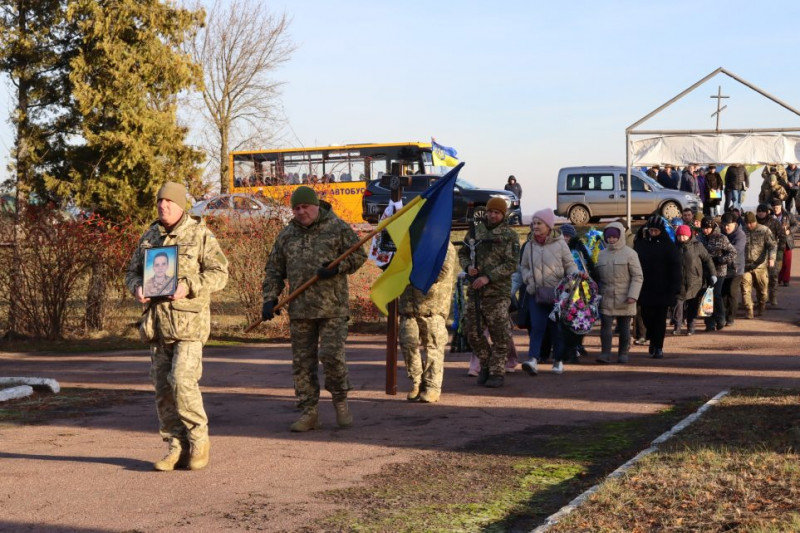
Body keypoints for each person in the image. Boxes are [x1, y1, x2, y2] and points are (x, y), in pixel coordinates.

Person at [125, 181, 229, 471]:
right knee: (163, 389)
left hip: (189, 325)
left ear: (181, 205)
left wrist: (189, 285)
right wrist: (136, 287)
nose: (163, 206)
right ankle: (175, 446)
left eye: (169, 202)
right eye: (159, 201)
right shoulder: (150, 237)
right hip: (157, 326)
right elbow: (132, 272)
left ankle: (198, 440)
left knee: (182, 381)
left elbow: (220, 273)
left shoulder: (199, 235)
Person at [261, 186, 367, 432]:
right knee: (302, 363)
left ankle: (340, 401)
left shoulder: (336, 227)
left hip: (332, 307)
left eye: (305, 207)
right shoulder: (287, 235)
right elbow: (274, 269)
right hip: (300, 310)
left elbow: (358, 255)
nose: (301, 212)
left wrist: (336, 268)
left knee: (331, 357)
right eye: (296, 208)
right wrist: (269, 298)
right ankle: (309, 412)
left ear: (315, 205)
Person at [458, 197, 520, 388]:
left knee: (500, 334)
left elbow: (512, 264)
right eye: (490, 212)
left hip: (497, 292)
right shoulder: (476, 232)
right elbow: (463, 253)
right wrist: (468, 268)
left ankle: (496, 372)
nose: (493, 215)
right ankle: (486, 364)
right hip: (476, 292)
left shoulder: (509, 235)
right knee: (472, 333)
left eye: (497, 212)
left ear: (503, 214)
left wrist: (489, 277)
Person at [519, 209, 577, 374]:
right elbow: (523, 266)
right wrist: (529, 279)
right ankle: (533, 359)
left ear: (548, 226)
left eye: (539, 223)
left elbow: (570, 264)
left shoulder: (560, 244)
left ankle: (558, 360)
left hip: (557, 294)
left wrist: (572, 278)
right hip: (536, 293)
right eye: (533, 223)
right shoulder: (529, 245)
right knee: (537, 326)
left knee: (556, 328)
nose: (535, 226)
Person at [399, 242, 457, 403]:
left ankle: (432, 387)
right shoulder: (406, 243)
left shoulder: (443, 245)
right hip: (408, 305)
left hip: (432, 307)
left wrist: (412, 268)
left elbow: (441, 273)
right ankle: (417, 382)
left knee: (433, 346)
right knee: (407, 343)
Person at [634, 215, 681, 358]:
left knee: (660, 319)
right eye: (651, 230)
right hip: (645, 288)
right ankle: (652, 338)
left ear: (661, 230)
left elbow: (676, 268)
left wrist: (675, 289)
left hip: (663, 289)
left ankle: (658, 346)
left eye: (656, 231)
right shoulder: (642, 244)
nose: (653, 233)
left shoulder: (669, 246)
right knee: (647, 317)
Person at [595, 222, 642, 364]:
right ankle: (605, 354)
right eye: (609, 237)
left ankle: (623, 353)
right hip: (606, 295)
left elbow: (637, 276)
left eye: (614, 237)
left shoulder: (630, 254)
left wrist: (633, 295)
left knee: (624, 327)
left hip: (625, 297)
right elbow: (598, 275)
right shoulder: (602, 255)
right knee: (605, 327)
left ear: (620, 236)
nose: (611, 240)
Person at [560, 223, 595, 362]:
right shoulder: (557, 248)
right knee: (564, 320)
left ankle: (577, 344)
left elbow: (588, 265)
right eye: (563, 235)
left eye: (568, 235)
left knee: (580, 317)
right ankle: (567, 349)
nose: (565, 238)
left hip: (581, 289)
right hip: (563, 288)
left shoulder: (579, 249)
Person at [673, 225, 715, 335]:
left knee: (692, 305)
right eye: (679, 236)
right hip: (678, 282)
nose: (681, 238)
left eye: (684, 236)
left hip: (694, 281)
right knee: (678, 305)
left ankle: (691, 327)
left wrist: (713, 274)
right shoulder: (673, 247)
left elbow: (708, 259)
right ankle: (677, 327)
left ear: (689, 235)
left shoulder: (697, 246)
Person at [697, 216, 736, 331]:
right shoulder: (699, 238)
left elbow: (733, 252)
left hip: (719, 271)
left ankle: (720, 318)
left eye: (708, 228)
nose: (706, 230)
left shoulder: (721, 238)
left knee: (716, 294)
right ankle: (709, 323)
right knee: (706, 296)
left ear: (713, 227)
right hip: (704, 271)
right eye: (704, 228)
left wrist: (721, 260)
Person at [741, 211, 776, 318]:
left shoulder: (764, 230)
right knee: (745, 289)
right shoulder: (742, 231)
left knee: (763, 291)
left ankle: (762, 304)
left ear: (755, 221)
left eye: (751, 223)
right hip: (745, 266)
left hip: (760, 266)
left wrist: (771, 258)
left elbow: (772, 246)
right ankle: (749, 309)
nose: (748, 225)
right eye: (747, 223)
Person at [755, 203, 784, 306]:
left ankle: (773, 297)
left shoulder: (774, 222)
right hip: (757, 254)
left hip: (772, 253)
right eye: (759, 211)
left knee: (773, 276)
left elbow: (782, 236)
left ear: (767, 212)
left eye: (763, 211)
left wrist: (780, 250)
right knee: (760, 278)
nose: (760, 213)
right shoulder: (754, 222)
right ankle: (763, 297)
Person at [720, 212, 746, 326]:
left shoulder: (740, 235)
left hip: (736, 269)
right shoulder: (720, 233)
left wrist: (721, 254)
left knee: (732, 292)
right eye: (724, 225)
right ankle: (723, 315)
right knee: (722, 292)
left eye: (728, 225)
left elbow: (736, 250)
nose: (726, 227)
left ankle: (730, 318)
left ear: (734, 224)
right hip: (723, 268)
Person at [772, 200, 798, 286]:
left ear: (781, 207)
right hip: (776, 242)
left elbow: (796, 225)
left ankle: (786, 280)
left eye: (777, 207)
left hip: (787, 241)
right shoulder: (771, 217)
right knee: (777, 262)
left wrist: (789, 231)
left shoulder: (788, 215)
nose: (776, 209)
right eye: (774, 208)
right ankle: (778, 279)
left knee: (787, 262)